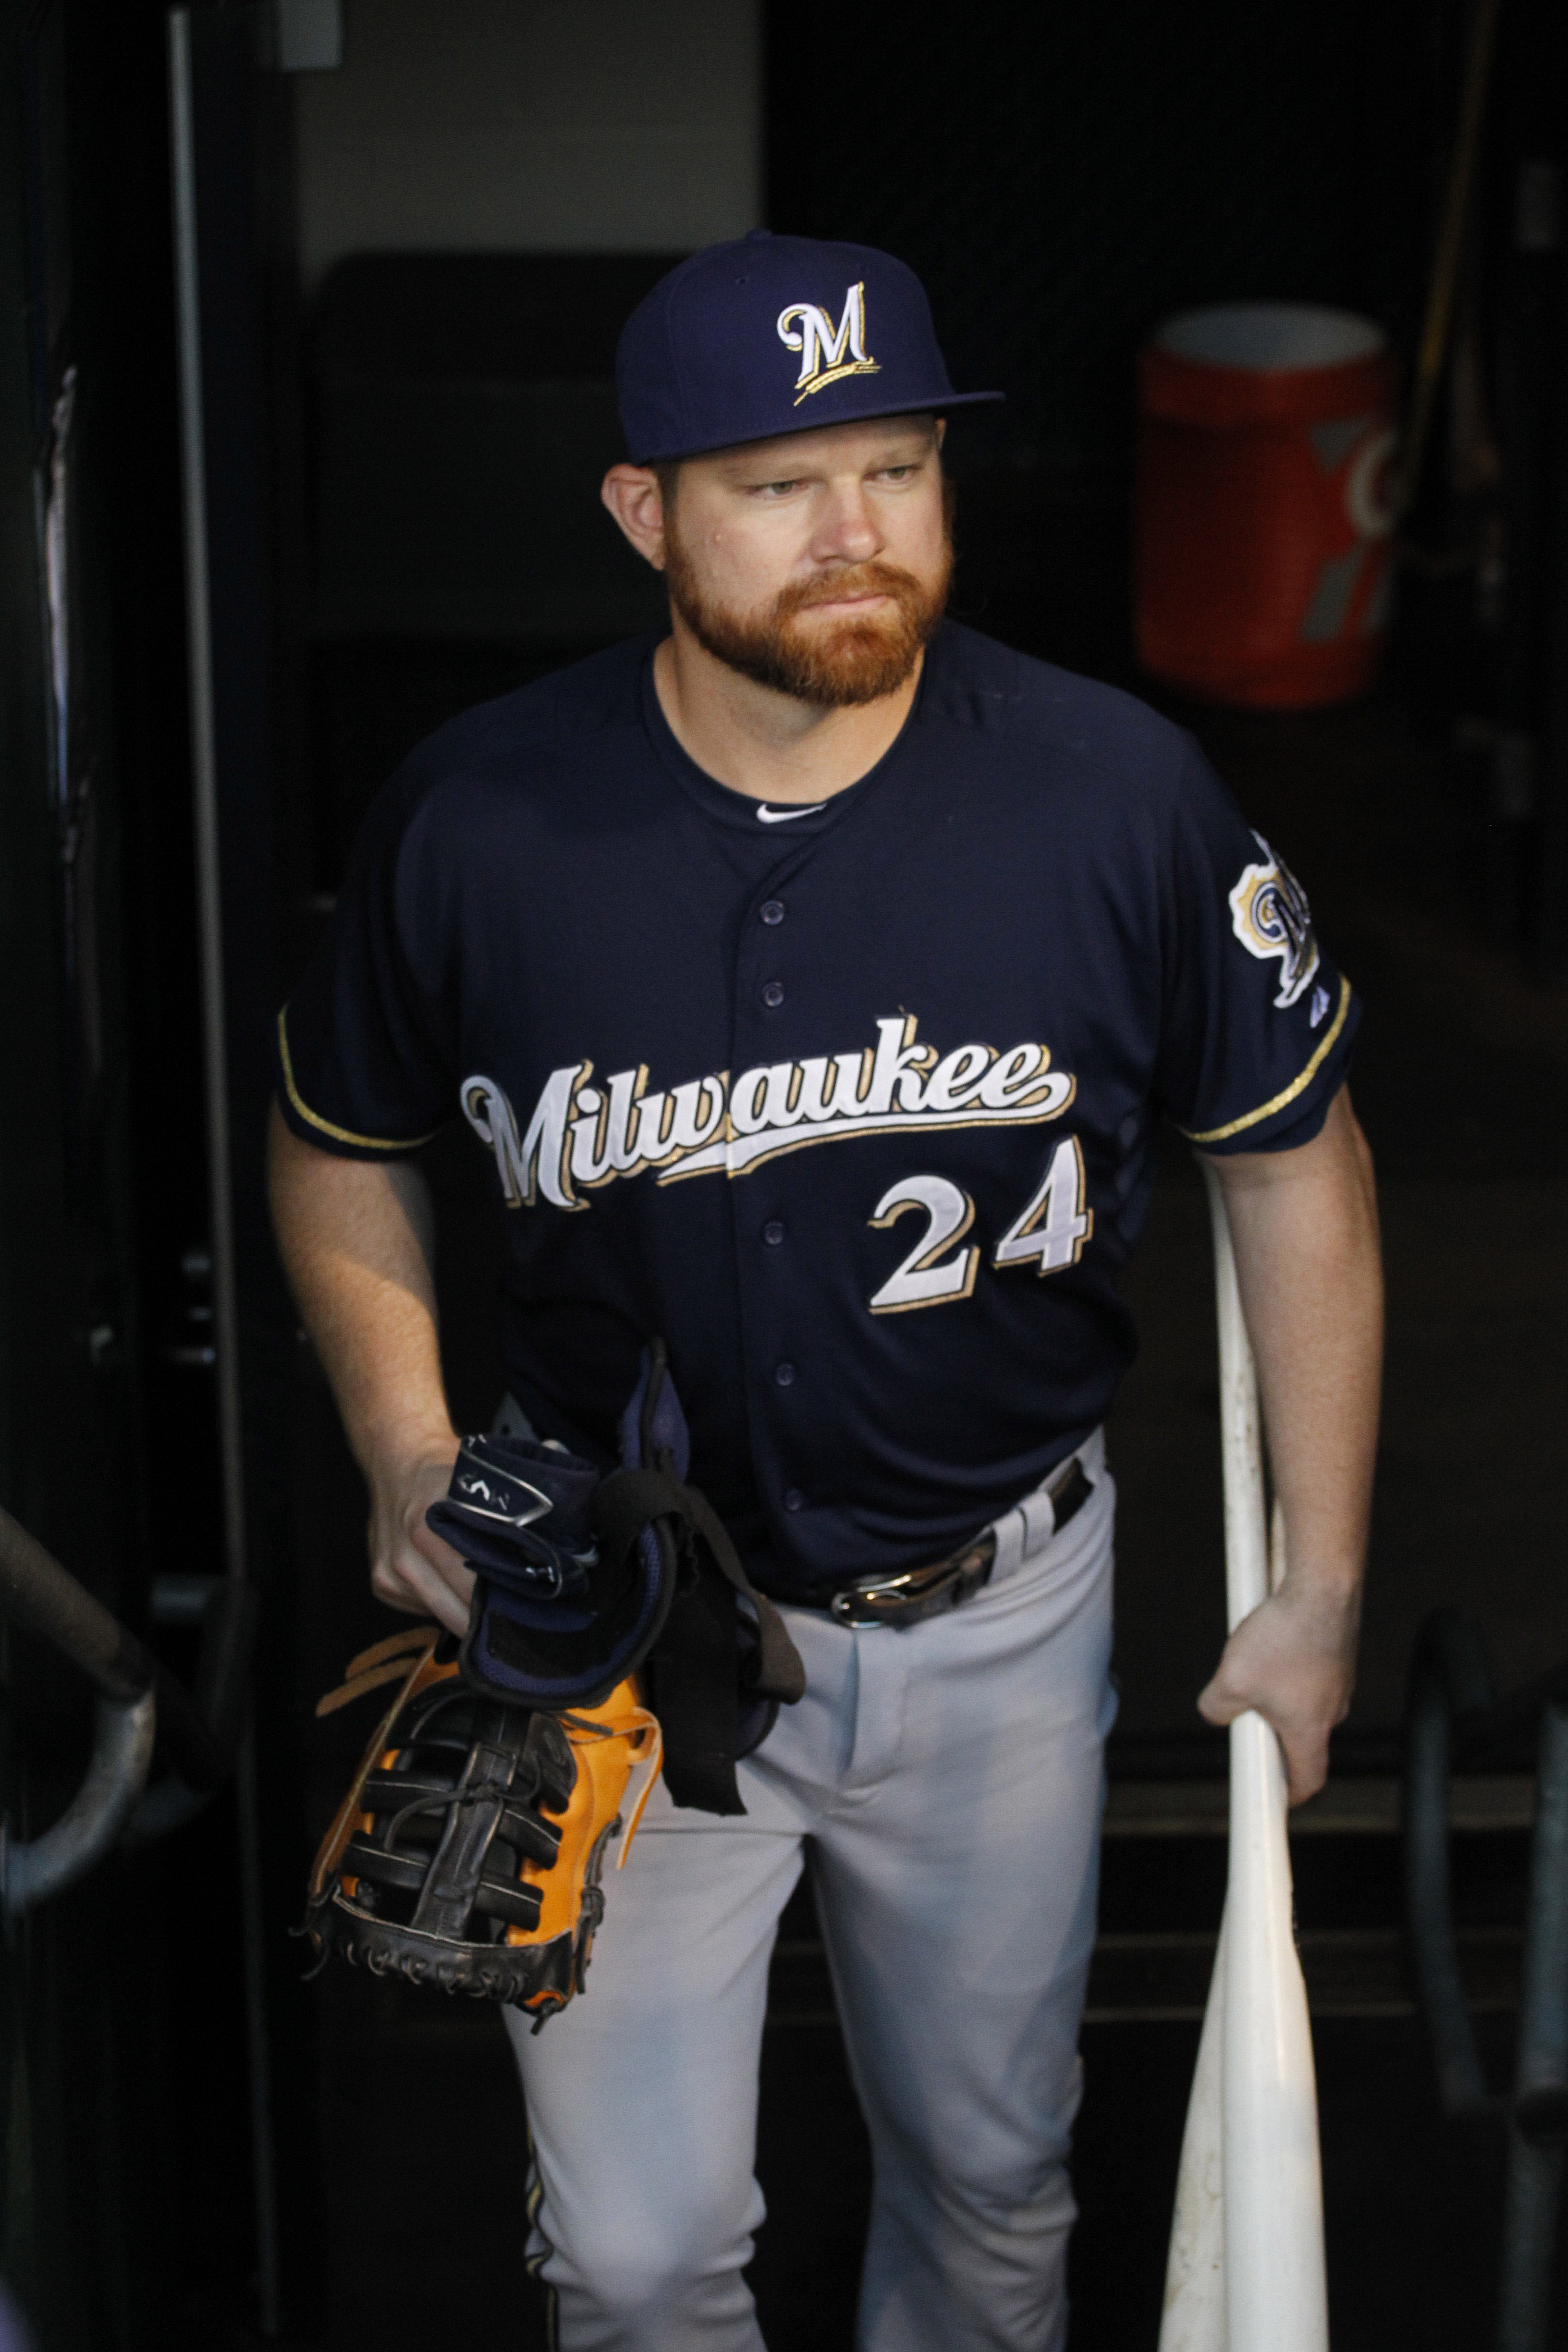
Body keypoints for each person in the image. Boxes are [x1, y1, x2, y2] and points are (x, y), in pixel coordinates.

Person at [268, 233, 1383, 2352]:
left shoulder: (1112, 797)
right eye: (779, 484)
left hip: (1000, 1621)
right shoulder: (482, 815)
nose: (854, 534)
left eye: (896, 466)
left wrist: (1320, 1584)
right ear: (644, 513)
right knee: (631, 2254)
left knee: (991, 2195)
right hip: (622, 1627)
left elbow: (1295, 1155)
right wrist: (408, 1442)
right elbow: (335, 1129)